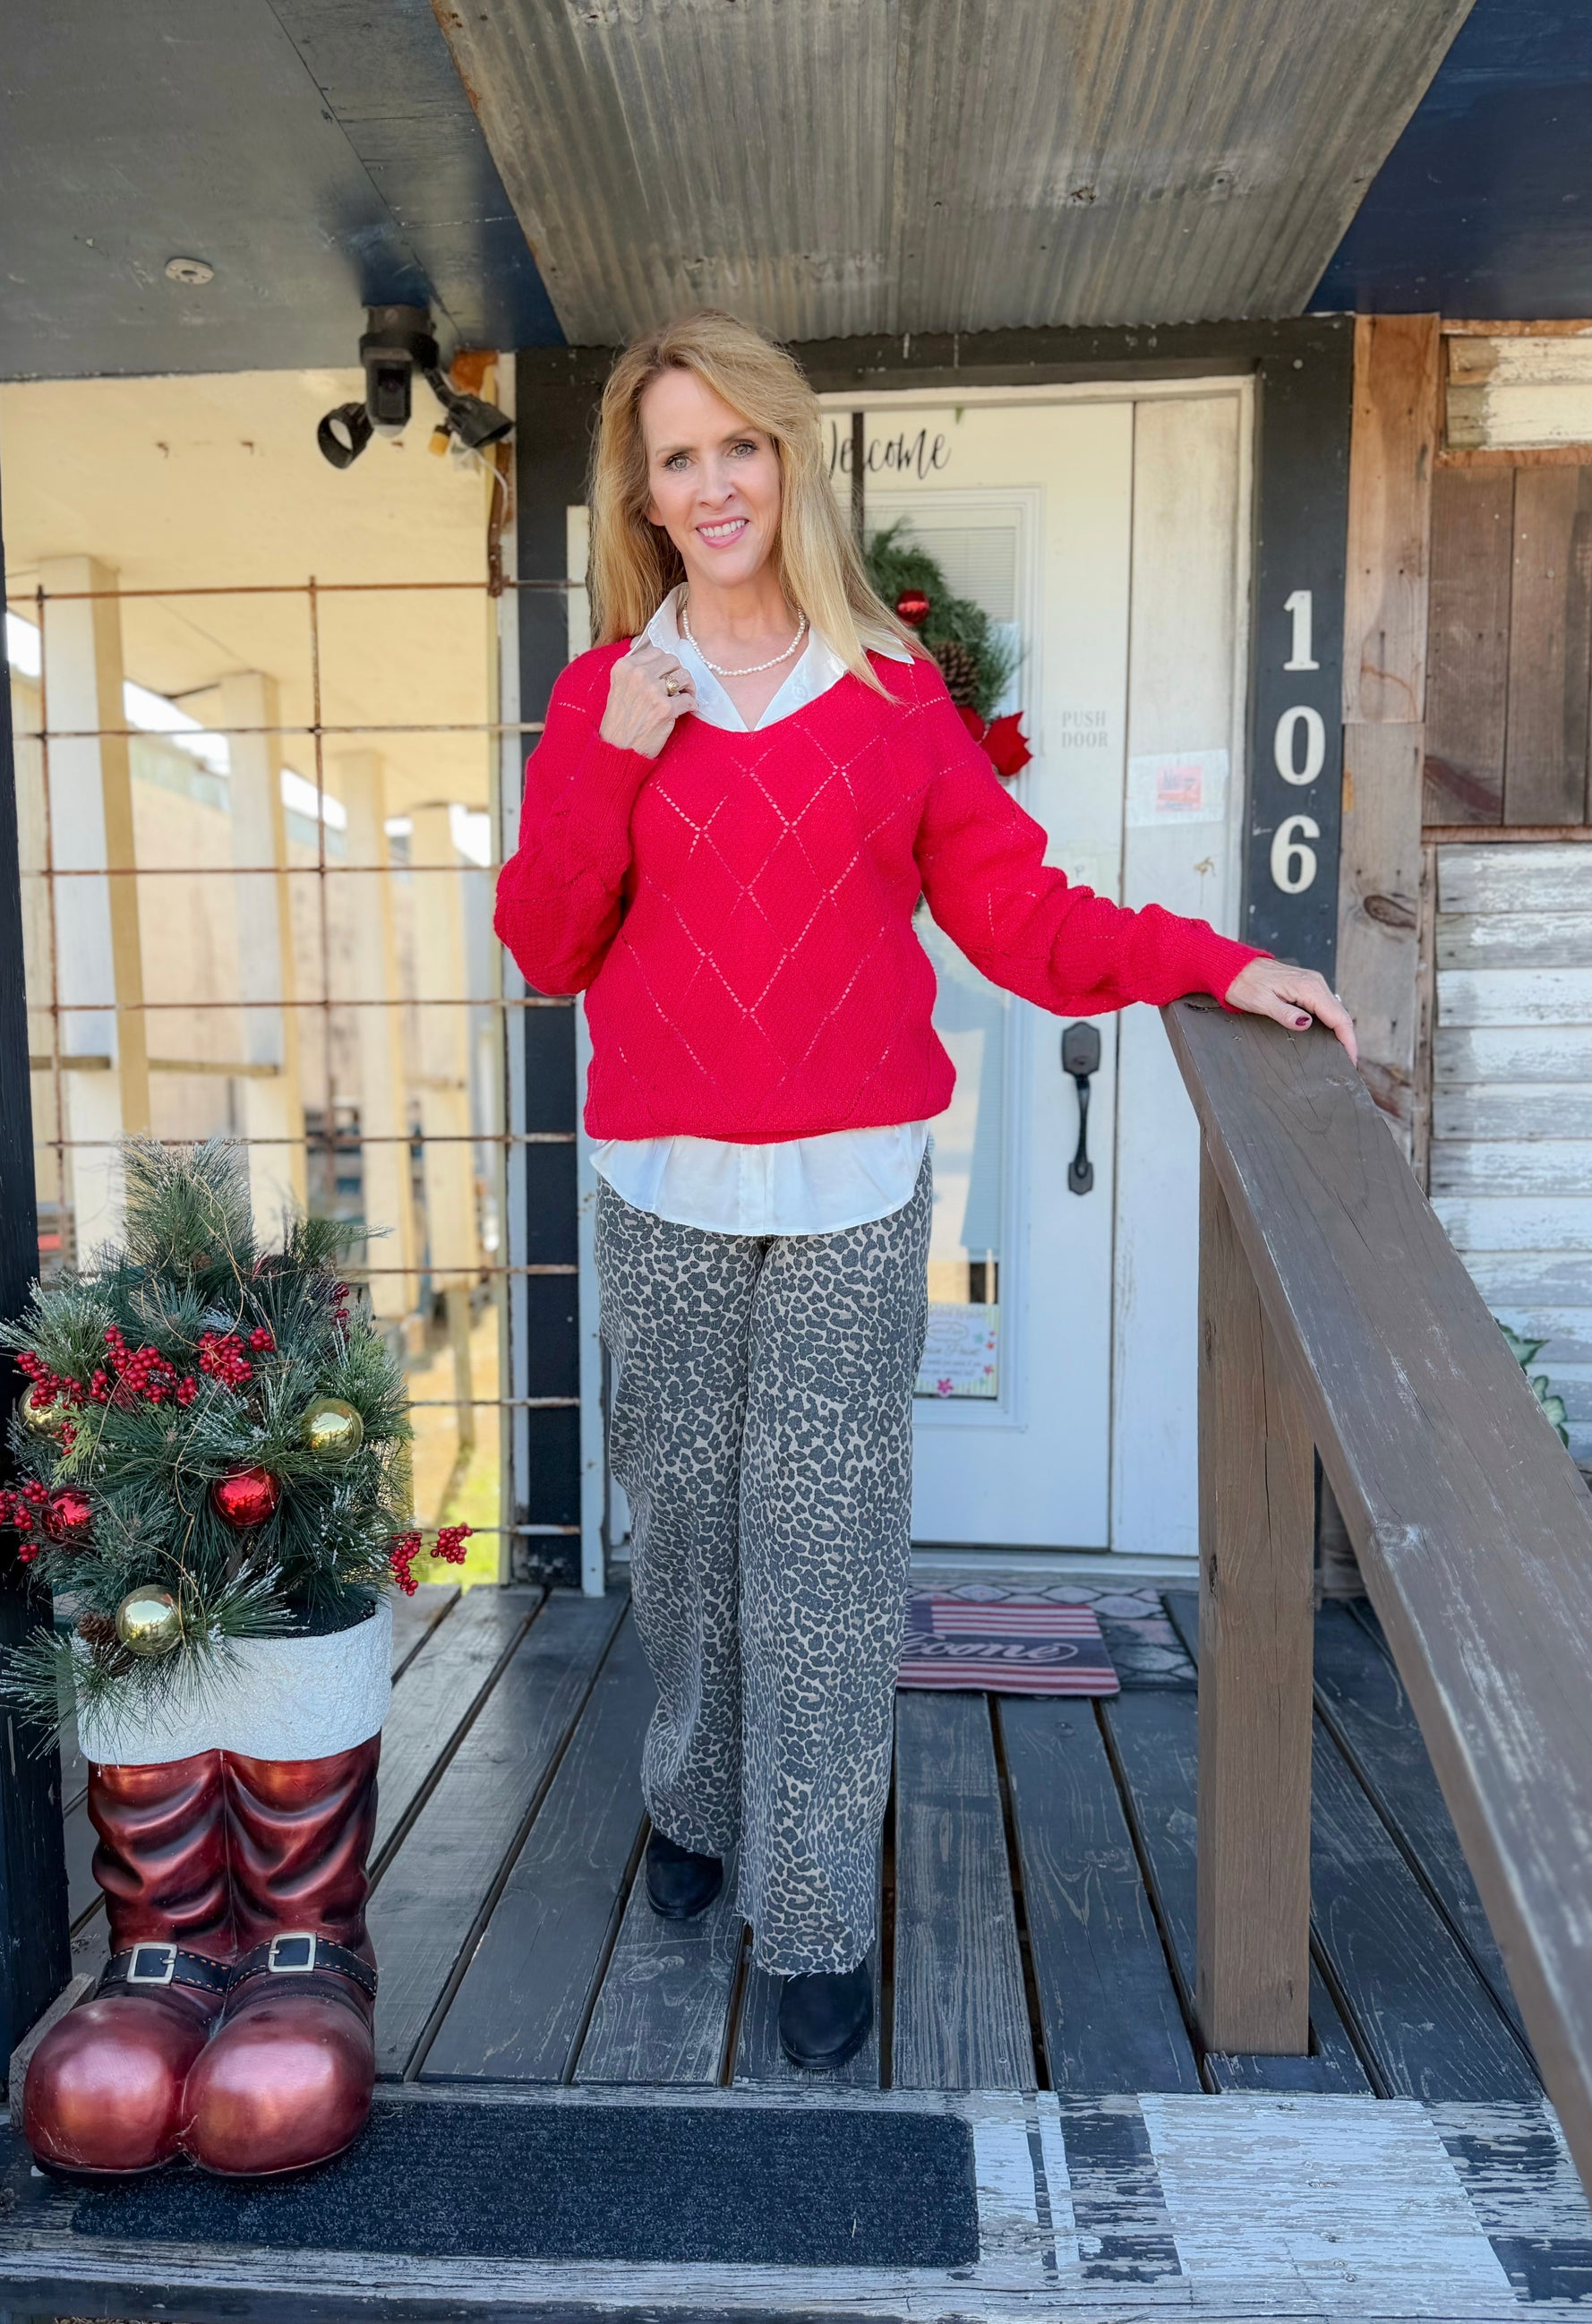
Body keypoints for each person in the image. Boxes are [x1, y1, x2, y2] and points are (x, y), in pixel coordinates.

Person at [494, 310, 1356, 2073]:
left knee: (822, 1558)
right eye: (678, 457)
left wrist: (1215, 961)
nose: (713, 483)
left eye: (740, 445)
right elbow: (546, 945)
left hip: (853, 1194)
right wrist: (611, 753)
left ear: (786, 460)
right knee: (690, 1537)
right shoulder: (604, 695)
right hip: (660, 1192)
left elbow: (1020, 916)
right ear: (642, 495)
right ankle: (694, 1798)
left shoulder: (892, 693)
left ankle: (813, 1911)